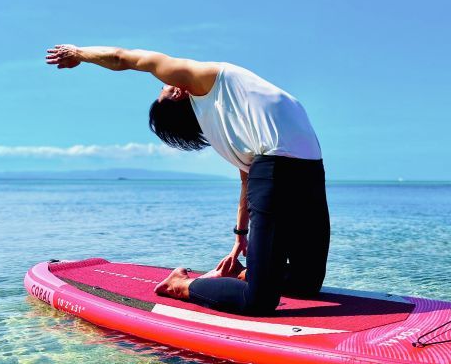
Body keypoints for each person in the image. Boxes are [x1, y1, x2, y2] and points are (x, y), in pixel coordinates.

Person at [45, 44, 330, 314]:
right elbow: (124, 58)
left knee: (307, 285)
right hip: (276, 171)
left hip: (310, 173)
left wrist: (240, 239)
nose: (166, 82)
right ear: (179, 96)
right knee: (258, 302)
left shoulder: (232, 112)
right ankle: (181, 285)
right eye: (164, 89)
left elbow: (247, 183)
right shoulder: (202, 81)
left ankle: (245, 272)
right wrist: (79, 53)